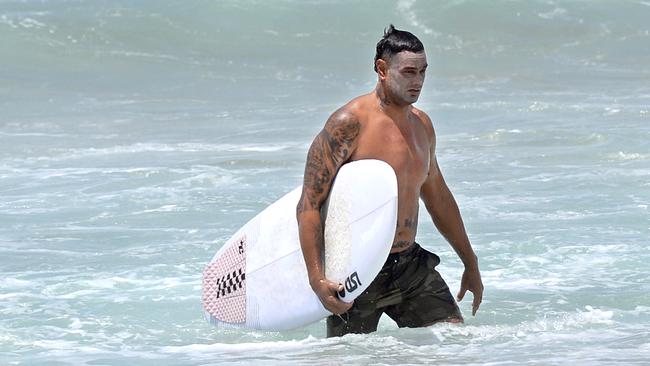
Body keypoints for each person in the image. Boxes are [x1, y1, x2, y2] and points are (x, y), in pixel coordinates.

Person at [296, 24, 483, 337]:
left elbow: (437, 196)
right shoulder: (348, 124)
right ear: (382, 69)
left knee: (454, 343)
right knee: (348, 359)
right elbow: (309, 205)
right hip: (358, 269)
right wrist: (317, 278)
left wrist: (470, 261)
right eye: (409, 72)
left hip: (410, 265)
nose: (418, 81)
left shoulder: (422, 125)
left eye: (423, 72)